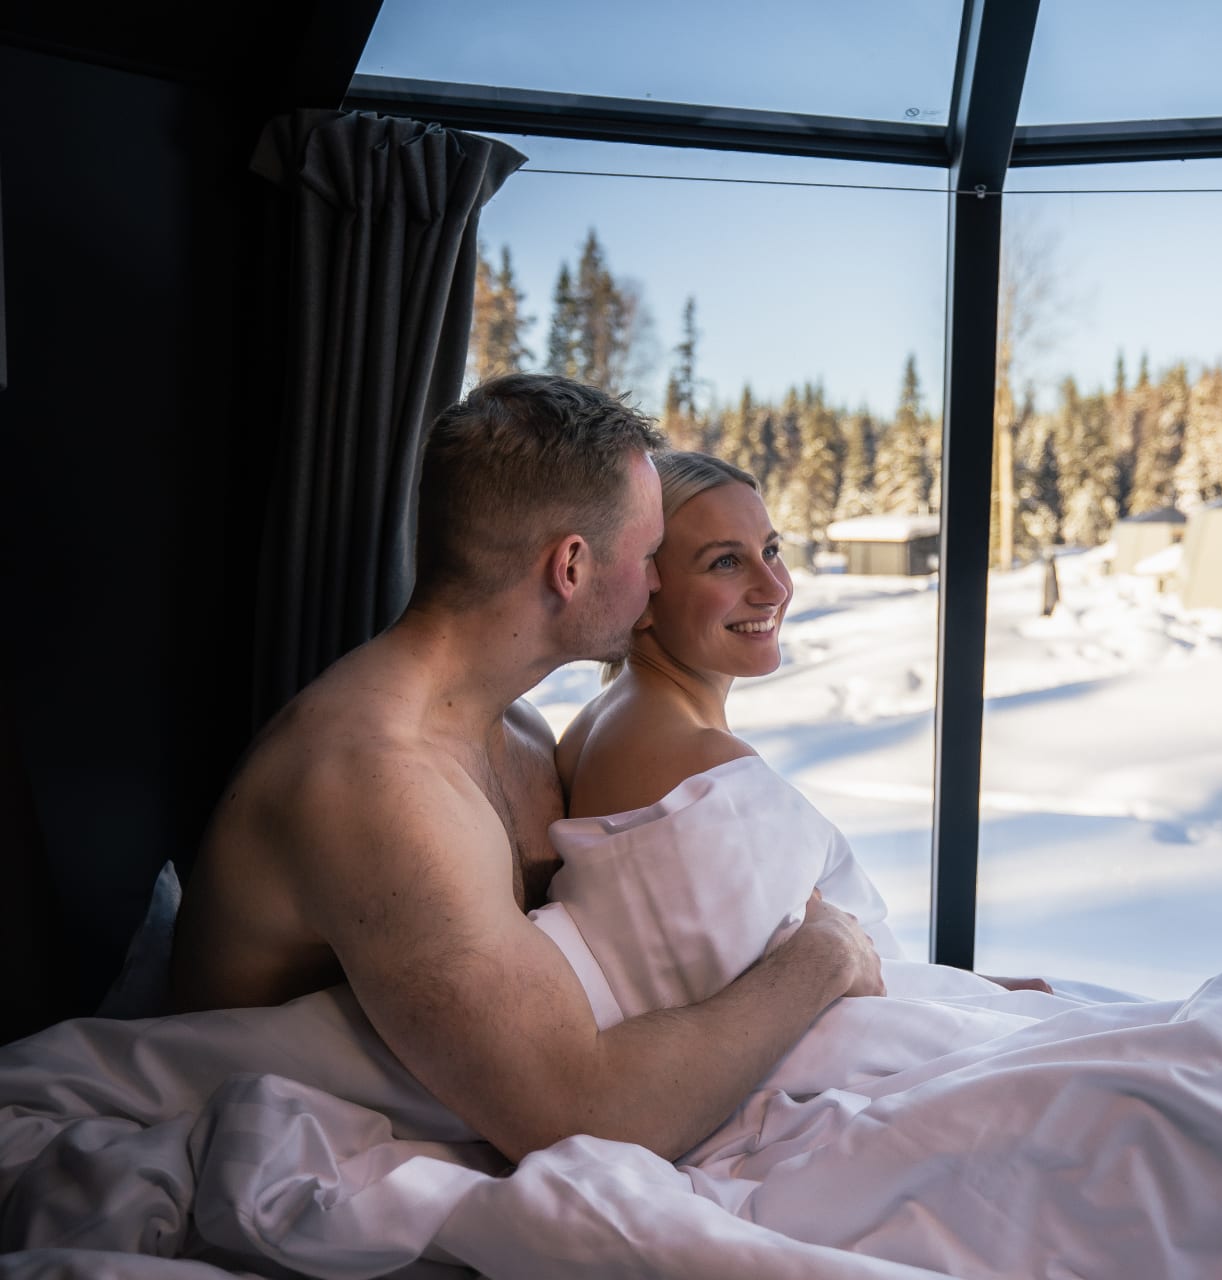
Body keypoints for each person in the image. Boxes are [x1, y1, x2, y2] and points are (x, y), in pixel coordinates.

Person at [169, 375, 884, 1164]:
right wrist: (825, 958)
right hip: (259, 1132)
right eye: (650, 554)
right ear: (570, 566)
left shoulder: (519, 727)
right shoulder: (378, 782)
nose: (657, 584)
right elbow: (582, 1117)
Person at [554, 450, 1049, 1007]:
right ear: (643, 592)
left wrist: (972, 991)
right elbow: (808, 1003)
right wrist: (977, 1006)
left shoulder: (616, 722)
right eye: (725, 562)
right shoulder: (689, 759)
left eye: (770, 551)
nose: (774, 588)